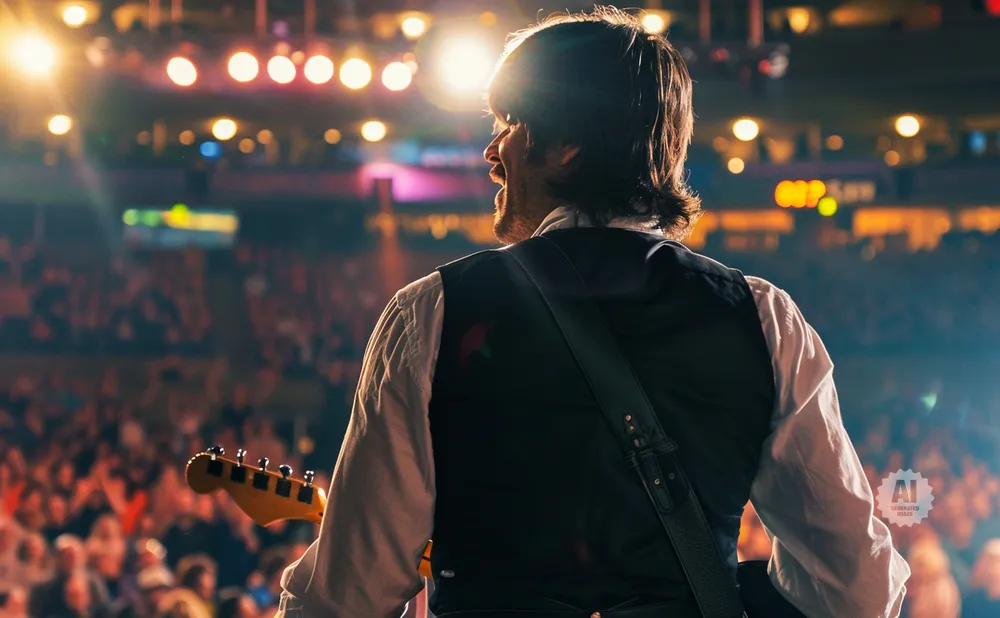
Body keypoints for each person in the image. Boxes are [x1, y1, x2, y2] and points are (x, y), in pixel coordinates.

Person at [276, 6, 910, 618]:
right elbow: (856, 592)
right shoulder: (764, 320)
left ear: (567, 146)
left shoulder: (432, 314)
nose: (493, 152)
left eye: (510, 123)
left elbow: (345, 601)